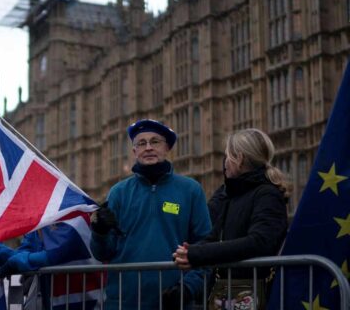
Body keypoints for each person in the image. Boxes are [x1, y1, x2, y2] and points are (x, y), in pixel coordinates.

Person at [90, 119, 212, 309]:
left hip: (174, 301)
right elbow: (103, 253)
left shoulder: (191, 190)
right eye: (141, 143)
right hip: (124, 301)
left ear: (167, 148)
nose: (148, 147)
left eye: (155, 142)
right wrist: (100, 232)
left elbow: (205, 248)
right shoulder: (118, 192)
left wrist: (188, 288)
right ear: (134, 151)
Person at [172, 128, 289, 307]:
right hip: (224, 292)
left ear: (239, 159)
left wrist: (199, 254)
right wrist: (190, 251)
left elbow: (260, 242)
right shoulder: (230, 194)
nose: (224, 163)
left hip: (252, 293)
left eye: (227, 156)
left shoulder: (267, 195)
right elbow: (214, 234)